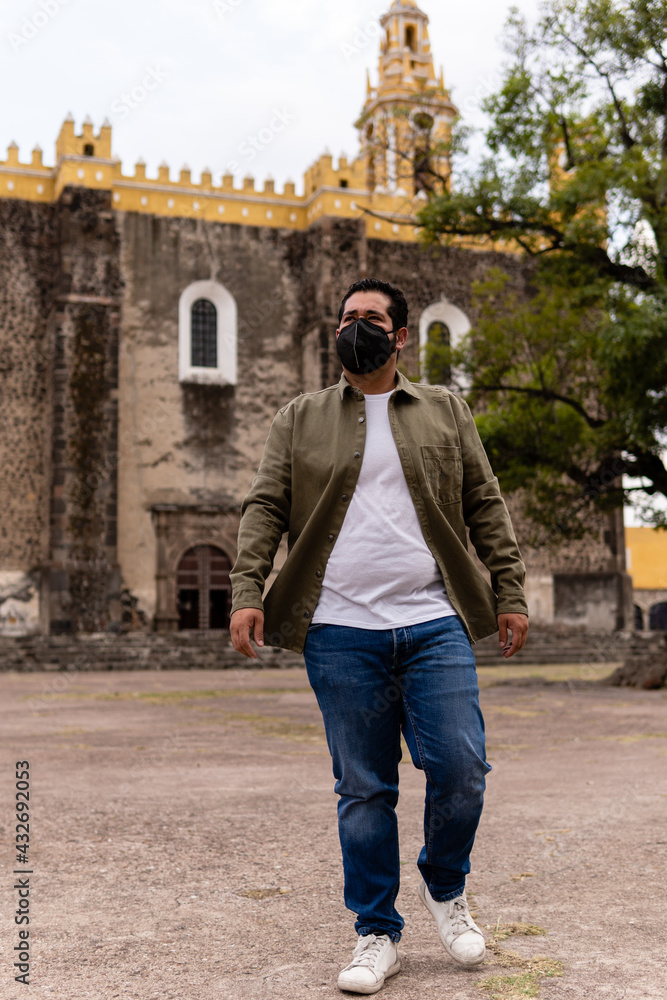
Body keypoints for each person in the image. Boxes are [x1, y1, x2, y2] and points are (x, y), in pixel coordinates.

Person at [230, 277, 529, 994]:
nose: (353, 327)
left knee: (460, 769)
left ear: (399, 337)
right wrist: (247, 590)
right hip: (338, 630)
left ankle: (444, 885)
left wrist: (507, 589)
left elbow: (483, 502)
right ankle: (375, 933)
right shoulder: (298, 418)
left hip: (433, 622)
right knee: (364, 789)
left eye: (369, 318)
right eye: (345, 318)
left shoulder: (444, 410)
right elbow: (265, 504)